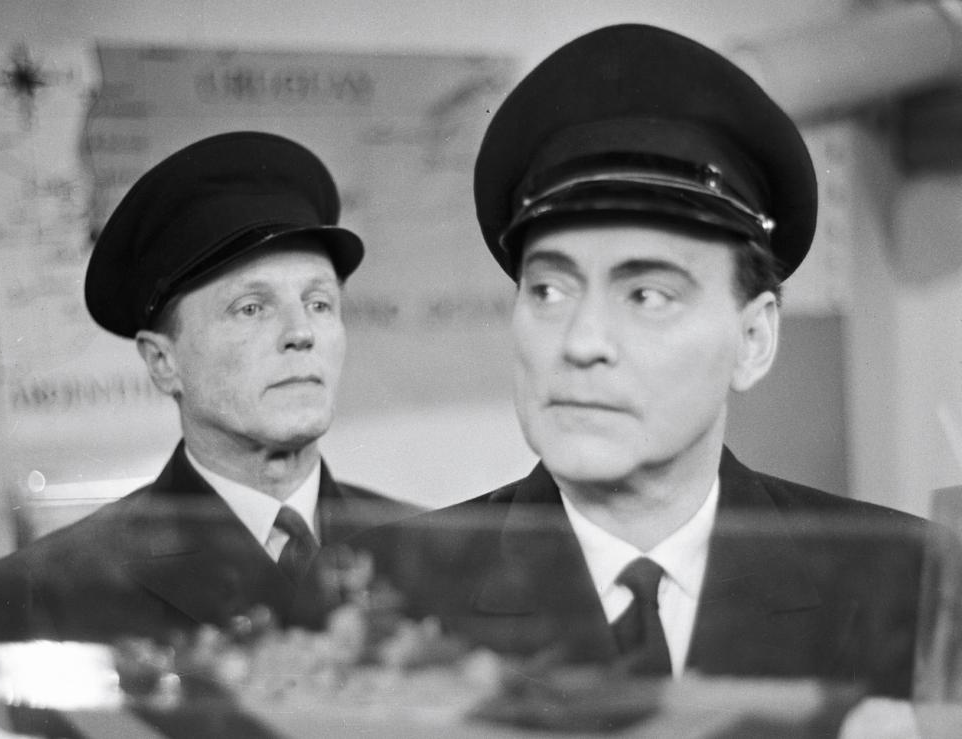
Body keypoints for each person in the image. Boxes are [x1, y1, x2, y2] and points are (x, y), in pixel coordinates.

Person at [360, 25, 928, 698]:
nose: (582, 342)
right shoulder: (380, 592)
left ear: (753, 340)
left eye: (648, 296)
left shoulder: (912, 585)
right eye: (549, 290)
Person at [0, 131, 418, 644]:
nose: (301, 333)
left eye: (319, 303)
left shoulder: (430, 551)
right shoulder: (53, 589)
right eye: (251, 308)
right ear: (164, 362)